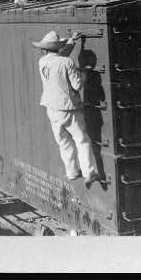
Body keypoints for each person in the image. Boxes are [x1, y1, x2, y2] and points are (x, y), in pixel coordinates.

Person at [33, 31, 99, 188]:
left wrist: (72, 41)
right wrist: (85, 72)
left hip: (51, 108)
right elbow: (77, 85)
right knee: (82, 140)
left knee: (63, 142)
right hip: (69, 108)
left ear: (45, 49)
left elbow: (59, 57)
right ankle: (89, 173)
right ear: (58, 47)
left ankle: (72, 172)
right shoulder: (67, 62)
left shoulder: (42, 62)